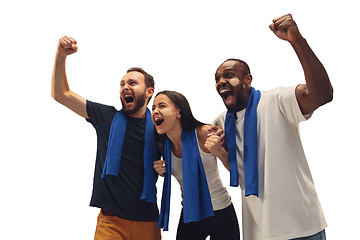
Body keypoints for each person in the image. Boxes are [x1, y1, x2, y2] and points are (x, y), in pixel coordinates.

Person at [205, 14, 332, 240]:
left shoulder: (277, 100)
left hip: (302, 227)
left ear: (248, 79)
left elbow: (322, 94)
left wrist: (297, 40)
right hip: (259, 232)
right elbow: (239, 170)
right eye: (217, 78)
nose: (220, 82)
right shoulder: (222, 122)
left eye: (229, 75)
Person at [51, 36, 161, 240]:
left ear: (149, 92)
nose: (125, 87)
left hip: (148, 222)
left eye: (132, 83)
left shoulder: (159, 126)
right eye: (122, 84)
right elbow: (61, 93)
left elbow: (181, 153)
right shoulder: (106, 117)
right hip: (111, 222)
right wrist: (61, 56)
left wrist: (167, 167)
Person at [152, 91, 240, 240]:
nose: (155, 111)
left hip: (221, 211)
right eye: (153, 107)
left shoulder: (204, 133)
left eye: (162, 106)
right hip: (190, 214)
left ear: (178, 112)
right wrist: (162, 171)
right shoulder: (163, 145)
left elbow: (236, 171)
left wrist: (219, 151)